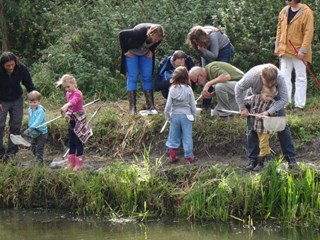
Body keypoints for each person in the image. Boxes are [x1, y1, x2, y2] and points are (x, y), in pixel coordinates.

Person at [235, 63, 297, 169]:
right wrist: (242, 107)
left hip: (274, 97)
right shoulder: (252, 77)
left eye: (272, 82)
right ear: (261, 76)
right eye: (267, 82)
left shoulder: (280, 77)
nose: (269, 85)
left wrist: (269, 112)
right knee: (252, 128)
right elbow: (238, 88)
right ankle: (252, 160)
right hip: (254, 96)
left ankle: (291, 159)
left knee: (281, 126)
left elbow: (284, 99)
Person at [274, 0, 314, 112]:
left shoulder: (306, 12)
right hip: (284, 50)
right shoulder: (284, 11)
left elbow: (308, 32)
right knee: (284, 77)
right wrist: (277, 45)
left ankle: (299, 105)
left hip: (299, 52)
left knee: (300, 78)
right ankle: (284, 103)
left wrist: (303, 50)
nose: (287, 1)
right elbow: (279, 30)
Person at [119, 23, 165, 115]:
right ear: (151, 34)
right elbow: (121, 34)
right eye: (155, 39)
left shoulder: (160, 35)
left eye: (158, 39)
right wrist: (125, 51)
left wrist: (152, 50)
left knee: (147, 77)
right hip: (132, 52)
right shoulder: (138, 32)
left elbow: (158, 41)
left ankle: (151, 105)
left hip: (145, 53)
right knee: (133, 77)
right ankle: (132, 108)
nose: (156, 41)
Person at [0, 51, 36, 160]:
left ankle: (12, 152)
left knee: (15, 125)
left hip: (16, 99)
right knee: (0, 125)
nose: (10, 67)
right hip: (2, 100)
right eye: (7, 66)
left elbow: (29, 84)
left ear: (15, 62)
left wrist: (35, 98)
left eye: (12, 64)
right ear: (2, 65)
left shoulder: (21, 68)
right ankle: (0, 153)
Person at [57, 74, 92, 171]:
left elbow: (73, 102)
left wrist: (66, 105)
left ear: (73, 83)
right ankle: (71, 163)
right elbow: (70, 108)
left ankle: (79, 164)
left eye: (68, 87)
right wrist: (66, 113)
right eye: (65, 88)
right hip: (72, 120)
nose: (67, 89)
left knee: (78, 141)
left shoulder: (78, 93)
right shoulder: (68, 94)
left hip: (79, 119)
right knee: (71, 141)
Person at [164, 66, 197, 164]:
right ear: (187, 77)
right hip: (187, 116)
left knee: (173, 135)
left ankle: (172, 153)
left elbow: (168, 106)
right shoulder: (188, 89)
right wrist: (194, 116)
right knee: (187, 136)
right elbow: (193, 105)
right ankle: (189, 157)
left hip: (175, 116)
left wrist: (167, 117)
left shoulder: (172, 89)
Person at [244, 85, 277, 171]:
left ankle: (260, 163)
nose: (269, 98)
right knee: (265, 145)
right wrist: (243, 109)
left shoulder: (273, 103)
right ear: (261, 93)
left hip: (266, 128)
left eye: (271, 96)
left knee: (262, 144)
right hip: (257, 127)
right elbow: (244, 101)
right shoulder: (254, 97)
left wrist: (265, 114)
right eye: (267, 96)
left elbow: (275, 113)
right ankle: (269, 159)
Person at [23, 90, 48, 164]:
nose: (32, 104)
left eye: (34, 102)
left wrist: (29, 129)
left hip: (41, 133)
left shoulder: (40, 111)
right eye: (30, 102)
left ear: (39, 102)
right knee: (33, 147)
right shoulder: (30, 109)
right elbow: (30, 119)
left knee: (39, 149)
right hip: (33, 132)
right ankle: (37, 159)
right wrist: (29, 127)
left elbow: (37, 122)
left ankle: (40, 164)